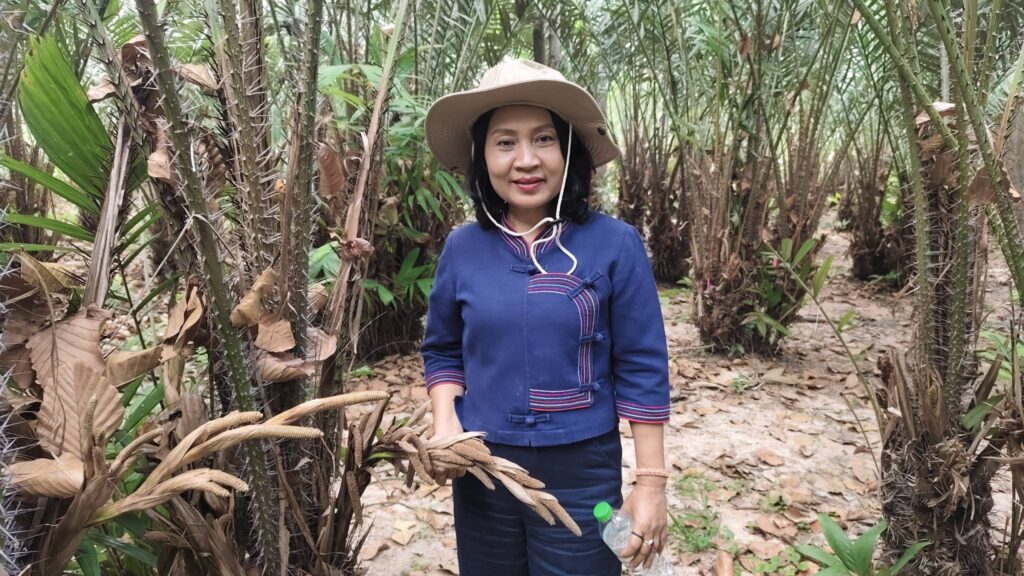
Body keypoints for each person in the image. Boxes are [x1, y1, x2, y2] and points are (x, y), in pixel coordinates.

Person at [420, 59, 671, 575]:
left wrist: (651, 483)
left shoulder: (615, 245)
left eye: (543, 139)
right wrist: (446, 423)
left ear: (567, 149)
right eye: (505, 142)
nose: (526, 160)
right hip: (483, 470)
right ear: (482, 155)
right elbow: (442, 349)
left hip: (583, 472)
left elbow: (642, 366)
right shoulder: (462, 249)